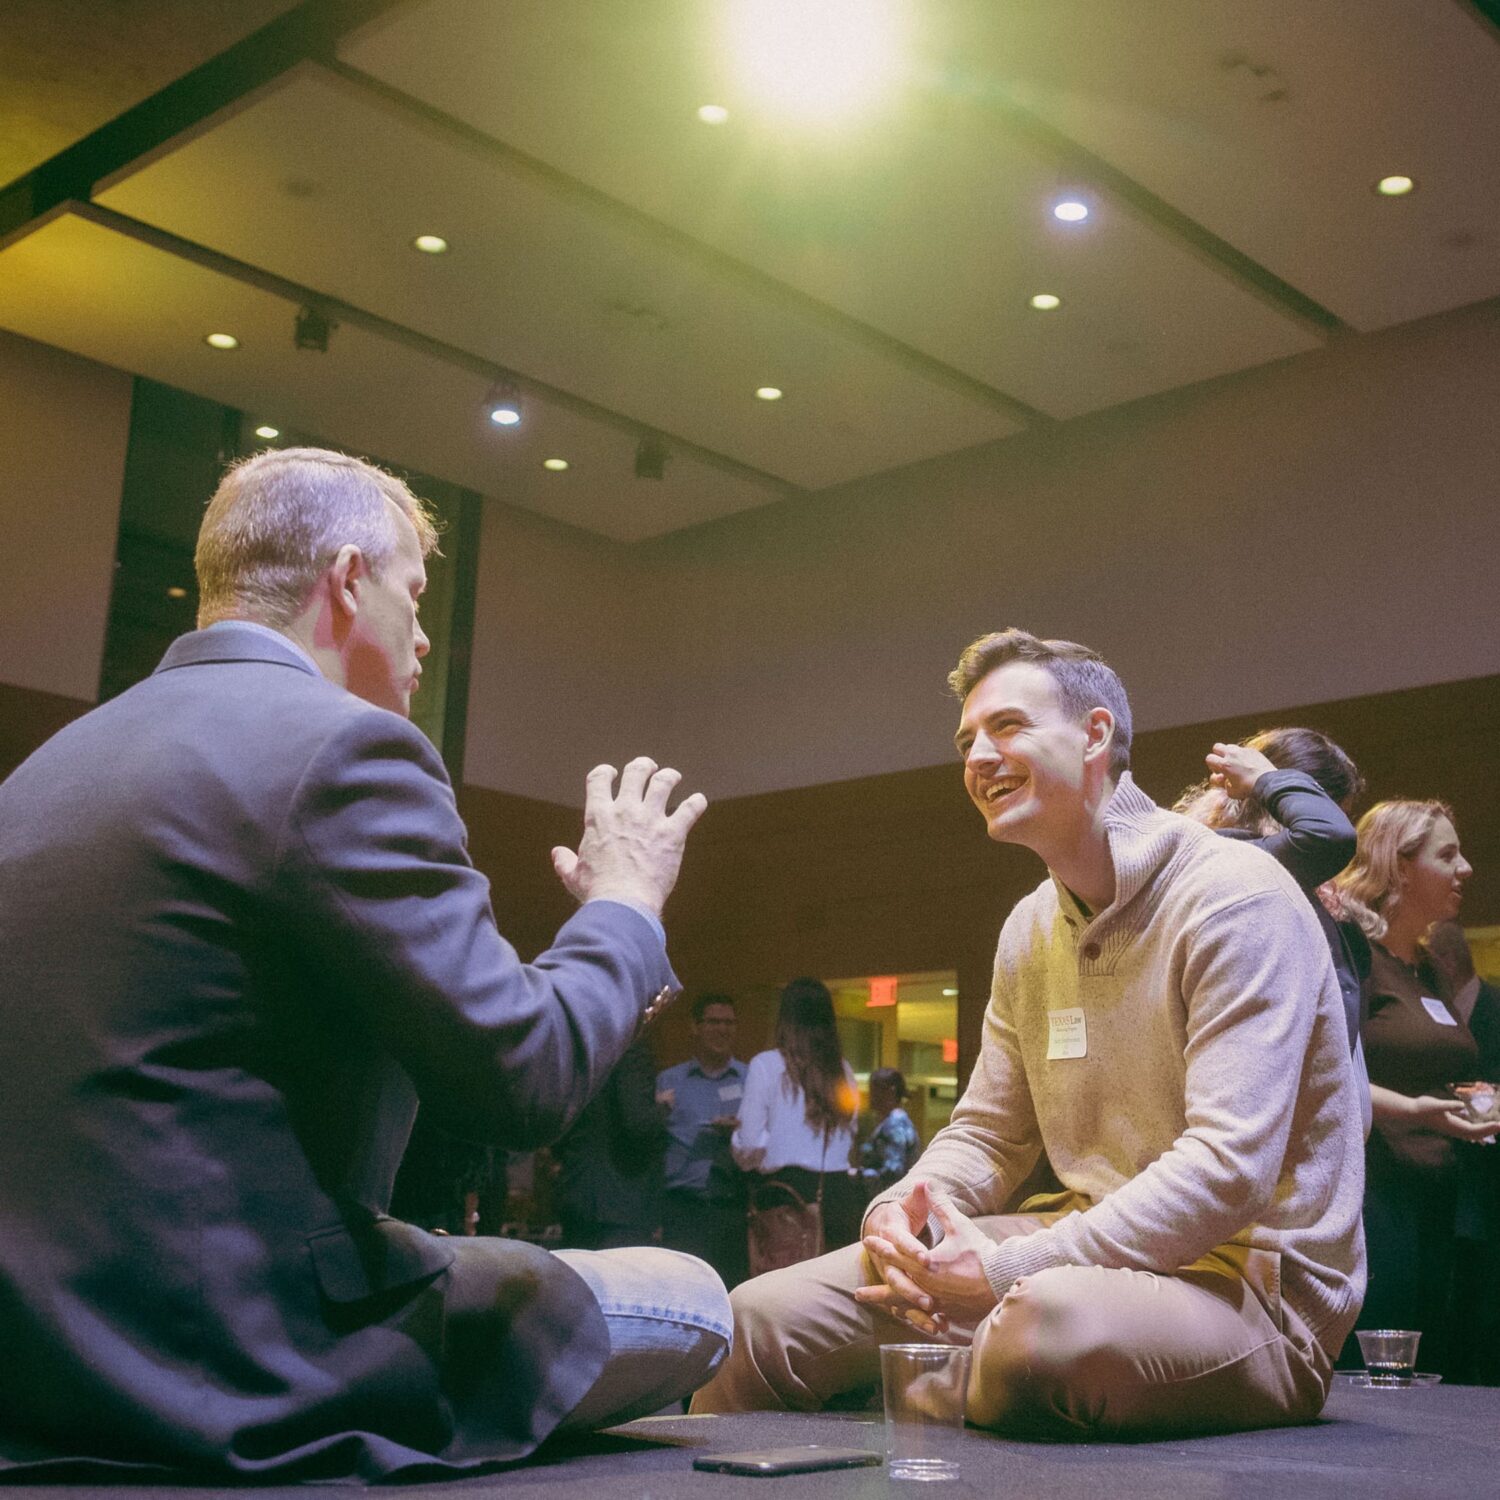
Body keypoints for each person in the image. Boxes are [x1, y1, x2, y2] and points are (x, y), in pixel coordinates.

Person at [0, 447, 730, 1482]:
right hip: (237, 1358)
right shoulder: (341, 749)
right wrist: (624, 904)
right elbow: (522, 1078)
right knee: (693, 1296)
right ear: (347, 581)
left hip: (34, 1367)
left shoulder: (43, 771)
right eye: (414, 594)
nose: (426, 635)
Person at [693, 628, 1365, 1439]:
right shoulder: (1028, 926)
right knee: (756, 1320)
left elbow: (1229, 1172)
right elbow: (986, 1132)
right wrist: (906, 1214)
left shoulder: (1235, 895)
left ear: (1095, 735)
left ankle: (906, 1403)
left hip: (1252, 1284)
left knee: (1038, 1330)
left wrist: (1003, 1270)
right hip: (1071, 1255)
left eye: (1007, 727)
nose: (978, 755)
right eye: (967, 739)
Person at [1328, 801, 1499, 1381]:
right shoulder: (1351, 951)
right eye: (1447, 855)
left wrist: (1468, 1099)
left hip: (1435, 1196)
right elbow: (1323, 1073)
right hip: (1374, 1197)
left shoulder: (1427, 965)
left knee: (1428, 1374)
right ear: (1399, 867)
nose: (1467, 868)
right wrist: (1418, 1112)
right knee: (1371, 1377)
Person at [1174, 727, 1372, 1133]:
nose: (1340, 819)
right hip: (1258, 1141)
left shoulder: (1264, 863)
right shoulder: (1235, 857)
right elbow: (1328, 835)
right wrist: (1266, 778)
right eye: (1334, 807)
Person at [732, 978, 862, 1257]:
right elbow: (851, 1130)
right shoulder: (843, 1070)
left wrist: (736, 1139)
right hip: (839, 1196)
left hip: (784, 1197)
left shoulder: (766, 1065)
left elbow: (750, 1144)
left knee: (784, 1290)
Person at [657, 994, 749, 1288]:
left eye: (729, 1023)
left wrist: (739, 1132)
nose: (722, 1030)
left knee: (733, 1294)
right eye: (713, 1022)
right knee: (682, 1292)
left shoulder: (750, 1079)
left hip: (734, 1207)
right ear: (694, 1027)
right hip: (682, 1209)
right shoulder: (669, 1081)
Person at [553, 1035, 668, 1250]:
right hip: (622, 1198)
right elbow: (638, 1125)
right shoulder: (631, 1047)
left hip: (577, 1188)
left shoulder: (576, 1046)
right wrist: (662, 1110)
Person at [859, 1068, 921, 1192]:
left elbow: (894, 1170)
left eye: (875, 1090)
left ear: (890, 1091)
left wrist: (859, 1175)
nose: (872, 1096)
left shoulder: (895, 1124)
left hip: (890, 1196)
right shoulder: (893, 1121)